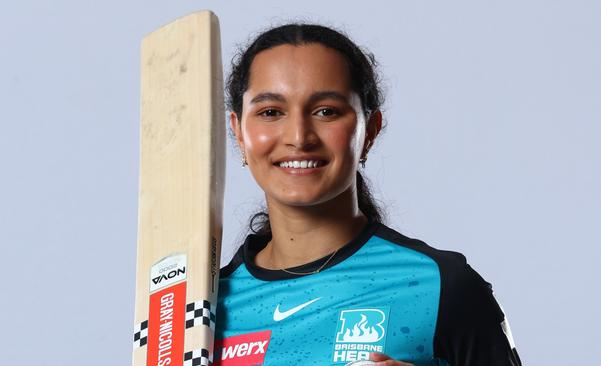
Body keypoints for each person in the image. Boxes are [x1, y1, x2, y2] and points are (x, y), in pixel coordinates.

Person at [215, 23, 522, 366]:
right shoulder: (202, 311)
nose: (299, 137)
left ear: (370, 130)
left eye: (326, 111)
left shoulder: (442, 285)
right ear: (239, 133)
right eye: (270, 112)